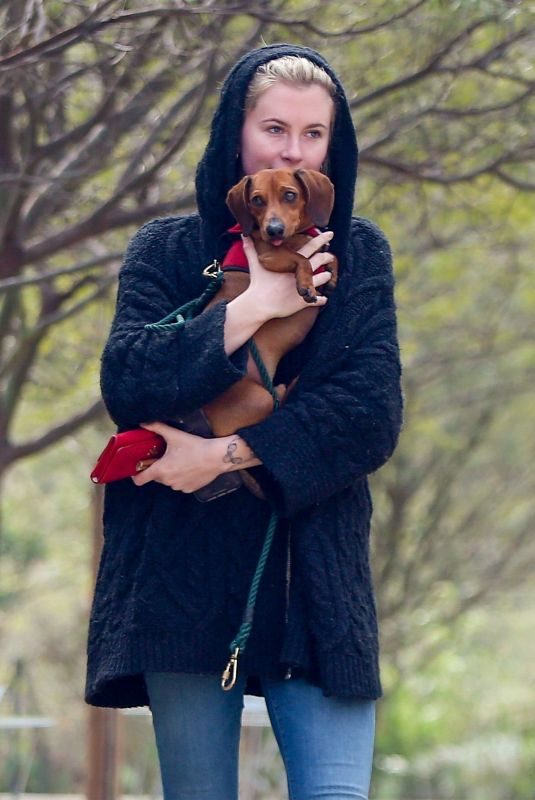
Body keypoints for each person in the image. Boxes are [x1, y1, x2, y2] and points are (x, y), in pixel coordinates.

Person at [85, 43, 403, 800]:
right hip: (181, 574)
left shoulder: (357, 254)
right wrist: (256, 304)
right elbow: (129, 381)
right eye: (273, 128)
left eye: (313, 133)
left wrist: (224, 454)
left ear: (332, 149)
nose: (292, 148)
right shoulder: (164, 250)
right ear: (236, 133)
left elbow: (366, 416)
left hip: (314, 580)